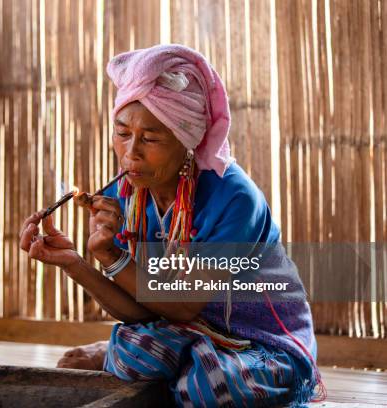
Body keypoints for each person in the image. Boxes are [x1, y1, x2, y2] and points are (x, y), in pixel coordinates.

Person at [19, 44, 324, 407]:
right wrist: (76, 262)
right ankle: (180, 364)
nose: (130, 152)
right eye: (122, 133)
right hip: (185, 331)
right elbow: (143, 309)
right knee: (135, 352)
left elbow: (182, 306)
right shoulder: (129, 194)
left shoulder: (234, 198)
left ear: (187, 140)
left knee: (208, 386)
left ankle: (182, 368)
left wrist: (114, 256)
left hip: (261, 344)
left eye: (150, 139)